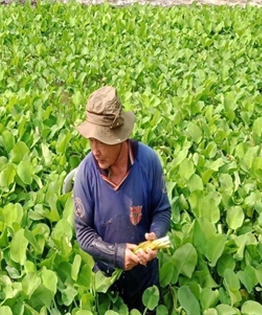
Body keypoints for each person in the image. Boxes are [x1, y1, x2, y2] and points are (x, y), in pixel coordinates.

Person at [72, 86, 172, 312]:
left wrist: (156, 235)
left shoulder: (148, 162)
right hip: (105, 280)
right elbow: (84, 233)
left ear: (120, 137)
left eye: (102, 141)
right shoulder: (86, 173)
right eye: (91, 141)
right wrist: (115, 254)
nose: (95, 150)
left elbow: (162, 210)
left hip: (145, 278)